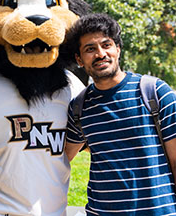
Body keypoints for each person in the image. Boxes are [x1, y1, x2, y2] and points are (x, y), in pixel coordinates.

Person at [65, 13, 176, 215]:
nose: (100, 54)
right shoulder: (79, 108)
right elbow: (60, 159)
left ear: (118, 49)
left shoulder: (155, 93)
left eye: (106, 45)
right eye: (90, 49)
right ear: (79, 59)